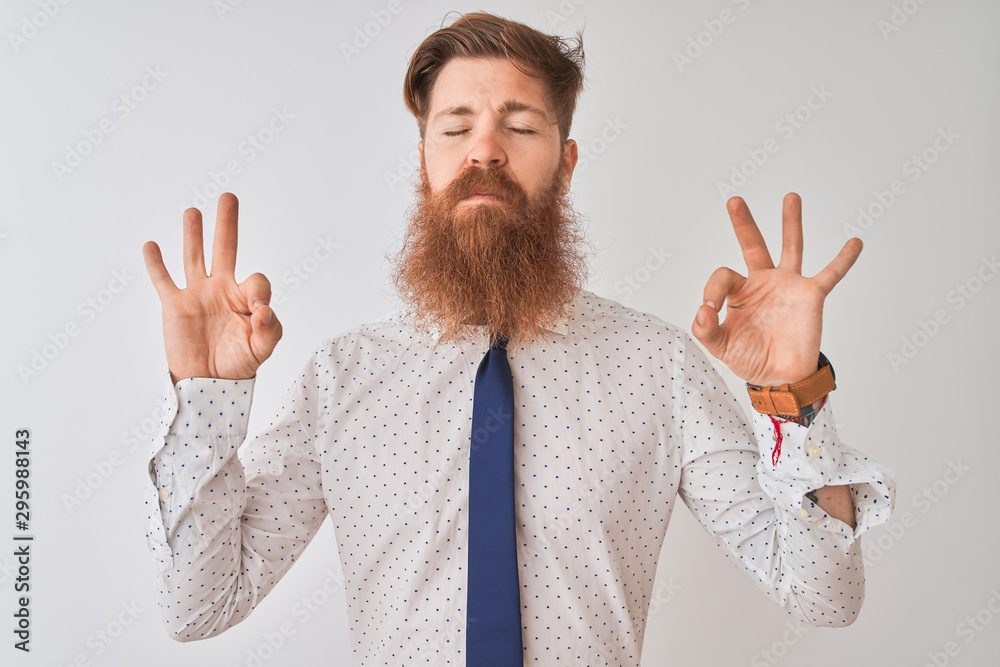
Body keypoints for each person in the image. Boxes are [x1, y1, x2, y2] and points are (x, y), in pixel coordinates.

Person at [141, 12, 894, 666]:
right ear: (425, 159)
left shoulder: (656, 365)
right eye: (456, 126)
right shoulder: (341, 376)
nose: (485, 150)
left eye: (521, 125)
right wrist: (206, 402)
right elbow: (199, 606)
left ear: (565, 166)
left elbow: (823, 594)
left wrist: (795, 397)